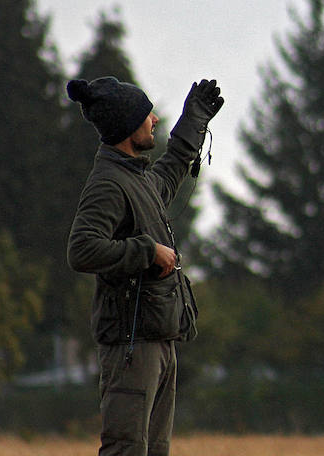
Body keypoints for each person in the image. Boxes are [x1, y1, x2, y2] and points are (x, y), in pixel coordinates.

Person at [66, 76, 223, 456]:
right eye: (146, 114)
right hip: (131, 346)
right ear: (126, 126)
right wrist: (147, 251)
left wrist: (194, 119)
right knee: (127, 450)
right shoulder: (109, 184)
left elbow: (173, 166)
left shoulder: (135, 178)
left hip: (156, 338)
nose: (154, 119)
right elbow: (82, 249)